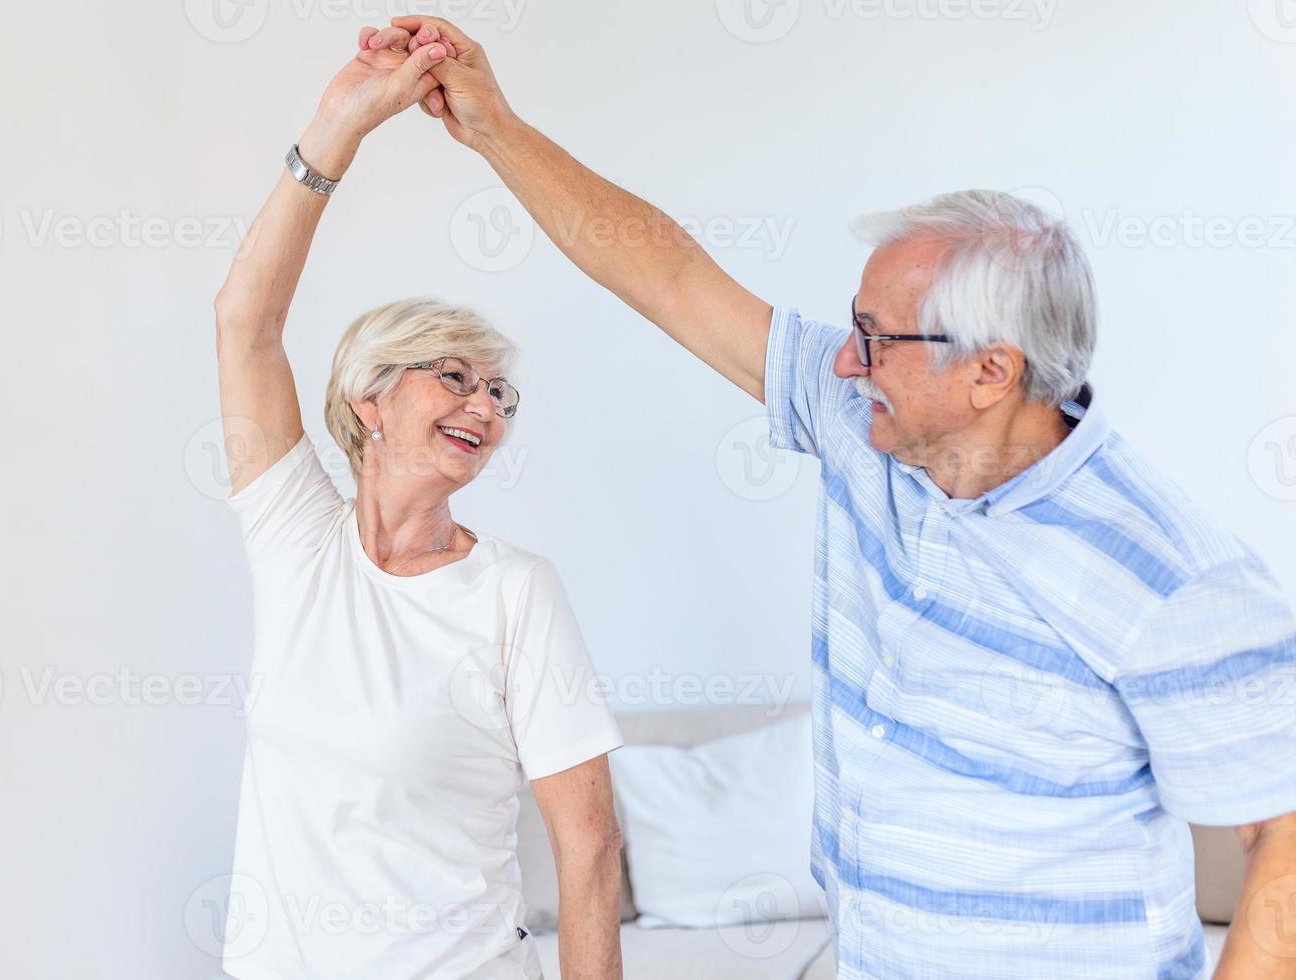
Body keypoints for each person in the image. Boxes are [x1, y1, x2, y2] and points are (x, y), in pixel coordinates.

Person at [367, 16, 1296, 979]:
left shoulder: (1177, 577)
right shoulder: (867, 425)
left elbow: (1285, 848)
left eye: (878, 337)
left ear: (991, 372)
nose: (847, 360)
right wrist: (493, 124)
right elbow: (670, 276)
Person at [212, 32, 624, 980]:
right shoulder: (298, 543)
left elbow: (590, 850)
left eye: (499, 394)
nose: (486, 405)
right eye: (453, 377)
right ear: (370, 401)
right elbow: (245, 324)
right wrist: (341, 127)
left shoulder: (515, 594)